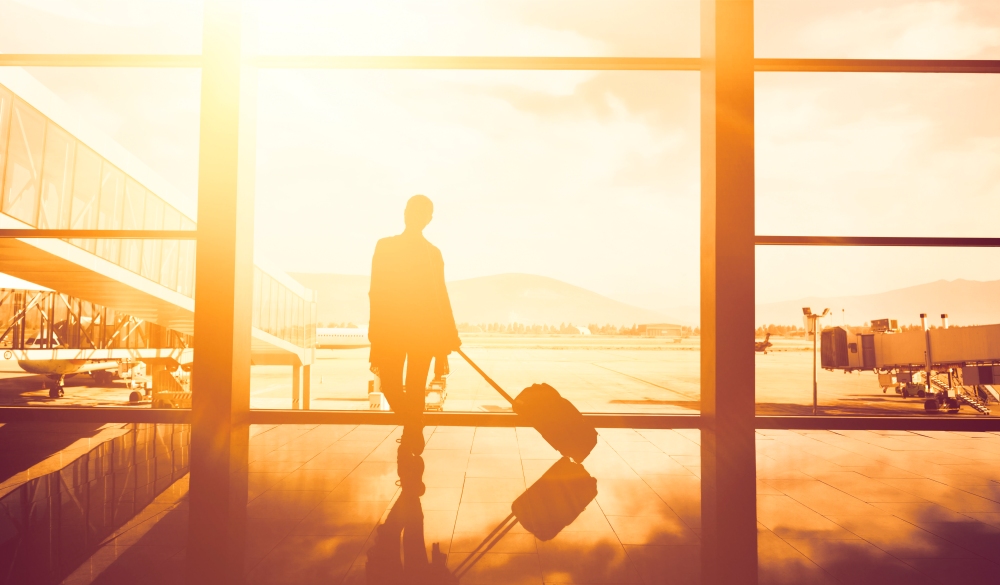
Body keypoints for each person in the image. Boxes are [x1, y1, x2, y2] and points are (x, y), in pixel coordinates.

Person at [368, 195, 461, 448]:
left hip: (395, 329)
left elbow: (376, 292)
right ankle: (414, 426)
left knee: (393, 385)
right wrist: (449, 332)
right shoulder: (432, 253)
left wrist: (374, 331)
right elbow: (441, 297)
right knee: (413, 387)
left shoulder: (386, 247)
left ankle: (412, 430)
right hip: (422, 331)